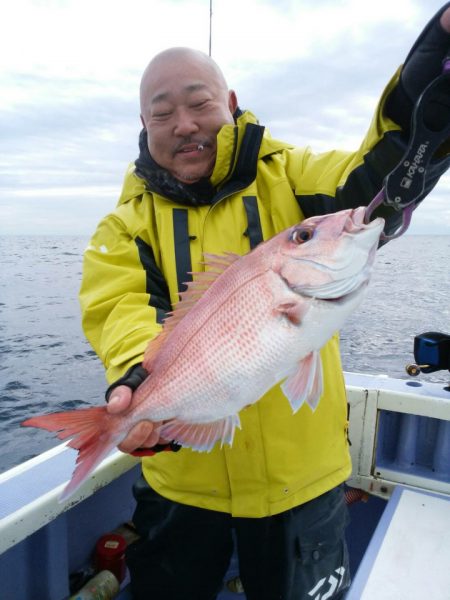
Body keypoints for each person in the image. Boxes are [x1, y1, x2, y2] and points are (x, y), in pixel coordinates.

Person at [79, 5, 450, 599]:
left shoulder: (295, 178)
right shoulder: (123, 228)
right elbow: (117, 307)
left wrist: (436, 65)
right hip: (180, 486)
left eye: (199, 103)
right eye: (162, 112)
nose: (183, 123)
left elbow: (381, 175)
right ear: (143, 126)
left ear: (230, 104)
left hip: (302, 483)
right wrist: (136, 382)